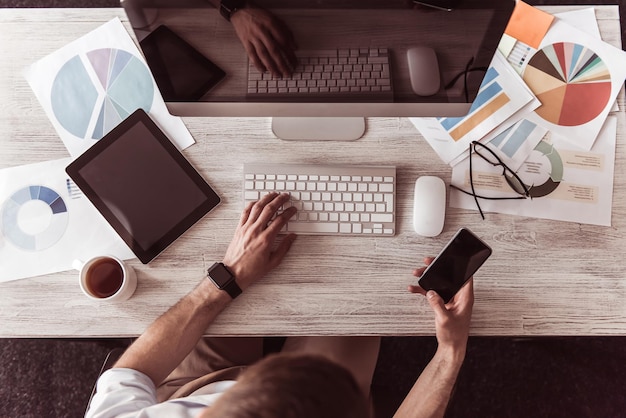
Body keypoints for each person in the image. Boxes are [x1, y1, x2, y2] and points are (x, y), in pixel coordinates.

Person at [86, 192, 474, 418]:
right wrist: (450, 351)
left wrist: (228, 277)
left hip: (187, 387)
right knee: (362, 298)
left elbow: (130, 375)